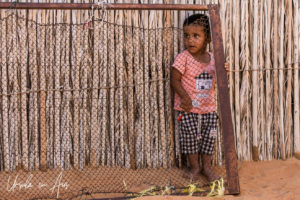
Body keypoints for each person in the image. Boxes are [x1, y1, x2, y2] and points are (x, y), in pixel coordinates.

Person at [171, 13, 228, 182]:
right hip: (188, 109)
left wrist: (223, 69)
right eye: (187, 36)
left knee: (209, 138)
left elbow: (220, 79)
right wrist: (185, 98)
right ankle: (195, 166)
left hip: (209, 108)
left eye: (196, 36)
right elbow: (174, 80)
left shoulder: (213, 59)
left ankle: (207, 167)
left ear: (208, 38)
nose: (190, 40)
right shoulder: (183, 58)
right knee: (189, 139)